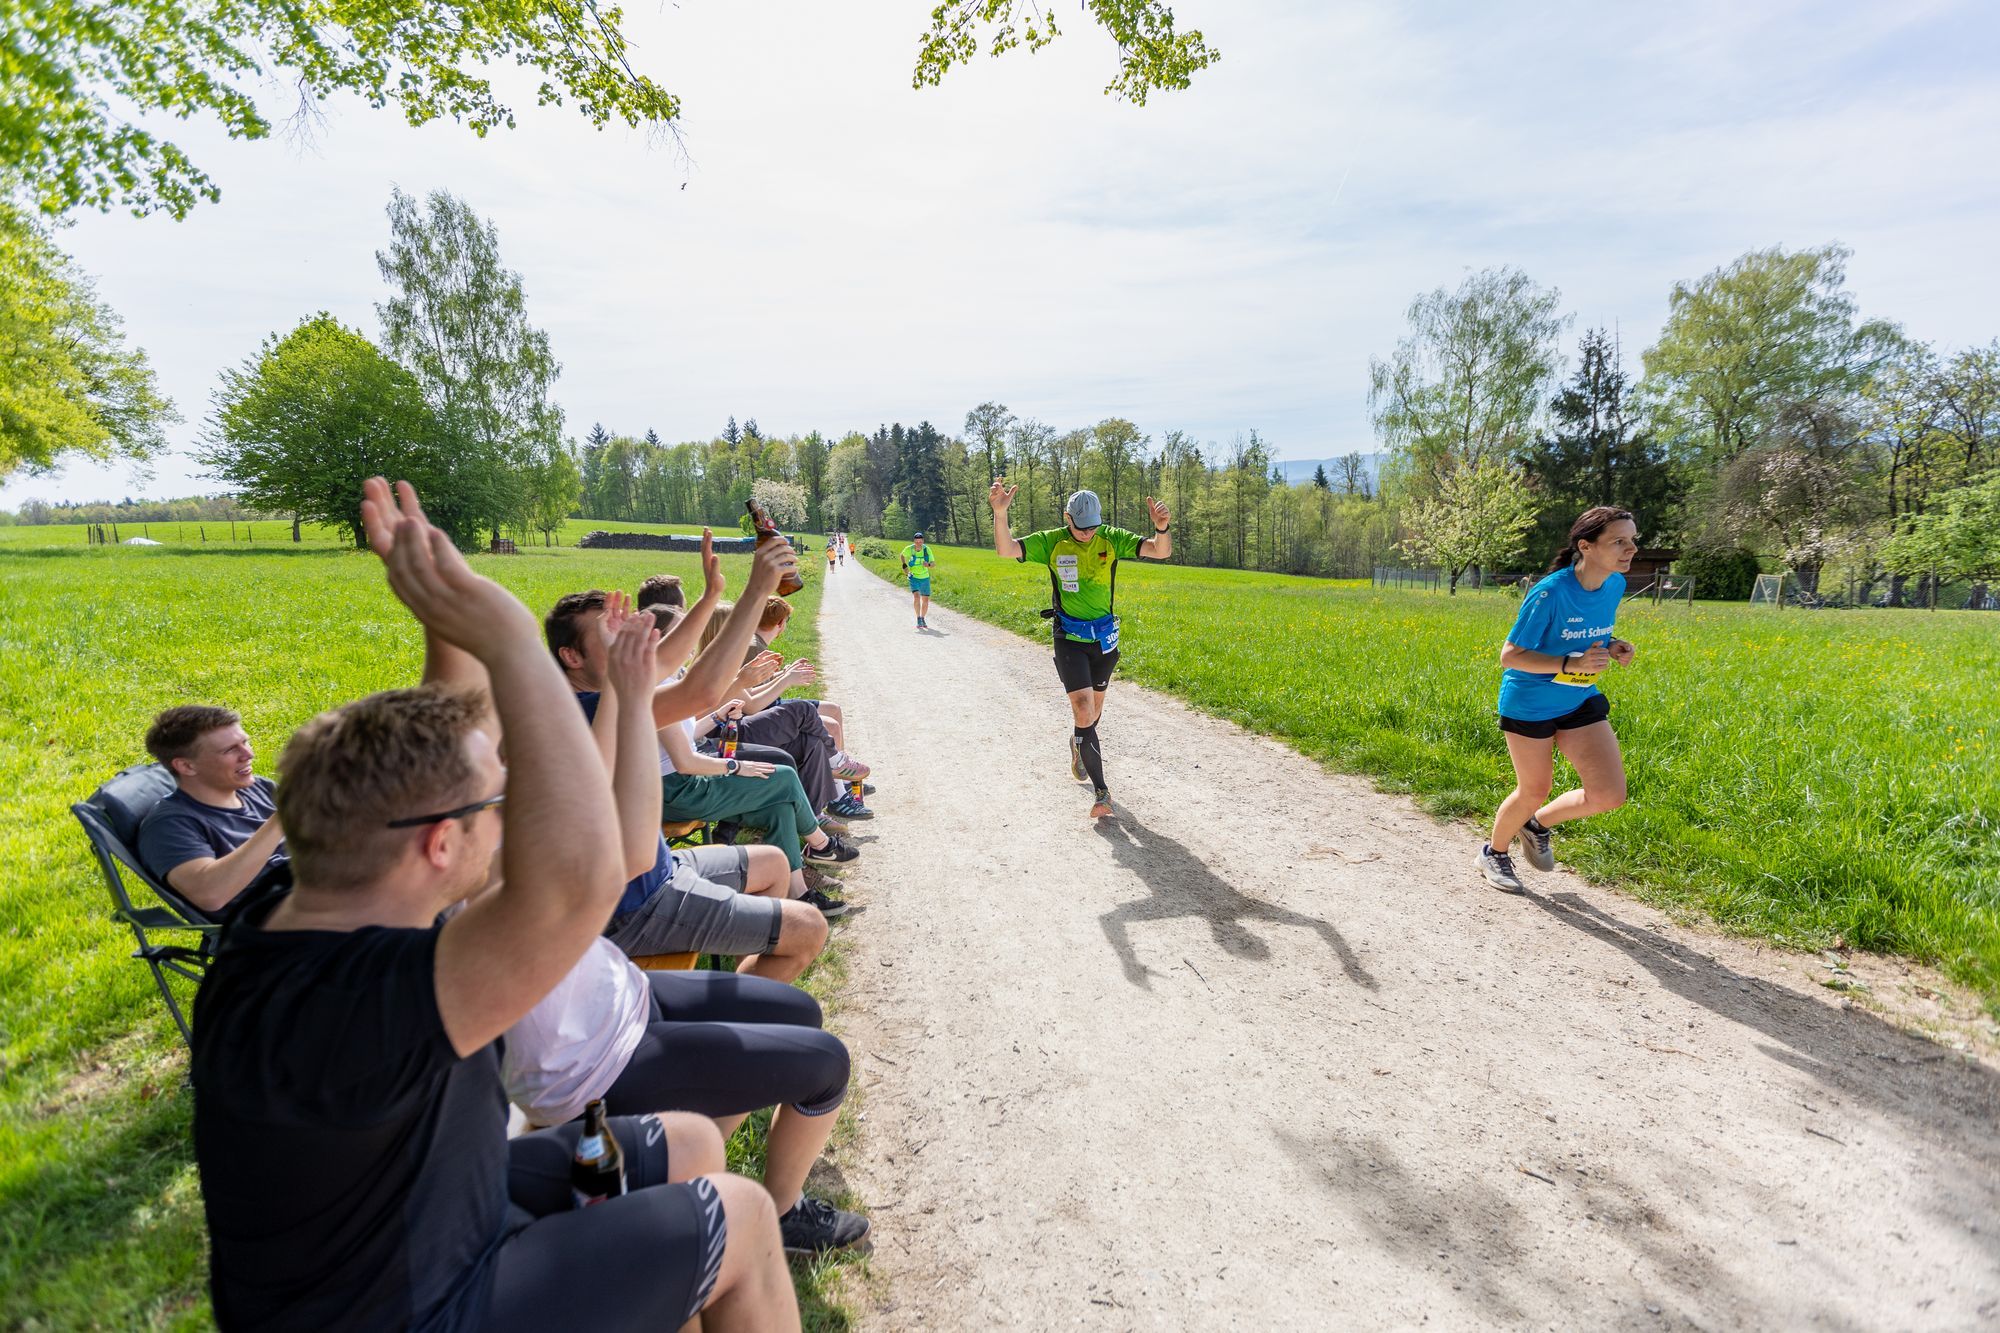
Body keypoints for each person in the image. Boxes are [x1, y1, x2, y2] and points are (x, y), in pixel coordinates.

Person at [190, 478, 800, 1332]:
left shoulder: (302, 911)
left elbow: (452, 734)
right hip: (420, 1305)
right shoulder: (371, 1000)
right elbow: (593, 874)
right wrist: (513, 639)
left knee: (693, 1144)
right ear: (441, 843)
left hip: (447, 1206)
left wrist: (445, 610)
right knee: (739, 1215)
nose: (504, 805)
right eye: (493, 800)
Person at [1477, 505, 1639, 893]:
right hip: (1530, 702)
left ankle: (1536, 825)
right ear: (1586, 545)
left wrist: (1613, 646)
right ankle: (1494, 852)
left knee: (1609, 795)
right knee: (1533, 789)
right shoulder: (1550, 592)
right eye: (1619, 541)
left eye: (1633, 540)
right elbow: (1511, 656)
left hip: (1579, 696)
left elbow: (1585, 635)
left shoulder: (1613, 584)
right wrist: (1572, 660)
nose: (1630, 548)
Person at [989, 481, 1172, 819]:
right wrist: (1000, 515)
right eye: (1080, 527)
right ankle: (1103, 794)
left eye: (1093, 527)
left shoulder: (1111, 539)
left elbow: (1160, 552)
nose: (1087, 534)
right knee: (1084, 710)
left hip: (1104, 641)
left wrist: (1162, 528)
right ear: (1067, 518)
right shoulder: (1051, 542)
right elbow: (1006, 550)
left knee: (1092, 718)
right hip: (1069, 636)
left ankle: (1078, 743)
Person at [136, 705, 289, 917]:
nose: (248, 754)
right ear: (187, 766)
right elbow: (210, 894)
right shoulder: (170, 826)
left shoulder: (259, 789)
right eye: (229, 750)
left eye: (245, 742)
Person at [900, 531, 937, 630]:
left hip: (925, 577)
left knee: (925, 600)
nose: (918, 544)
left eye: (920, 542)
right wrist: (904, 565)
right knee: (916, 597)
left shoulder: (927, 550)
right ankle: (918, 618)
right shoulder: (910, 549)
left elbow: (933, 564)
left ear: (923, 541)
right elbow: (902, 555)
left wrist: (928, 565)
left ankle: (922, 618)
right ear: (914, 541)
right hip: (913, 577)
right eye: (917, 542)